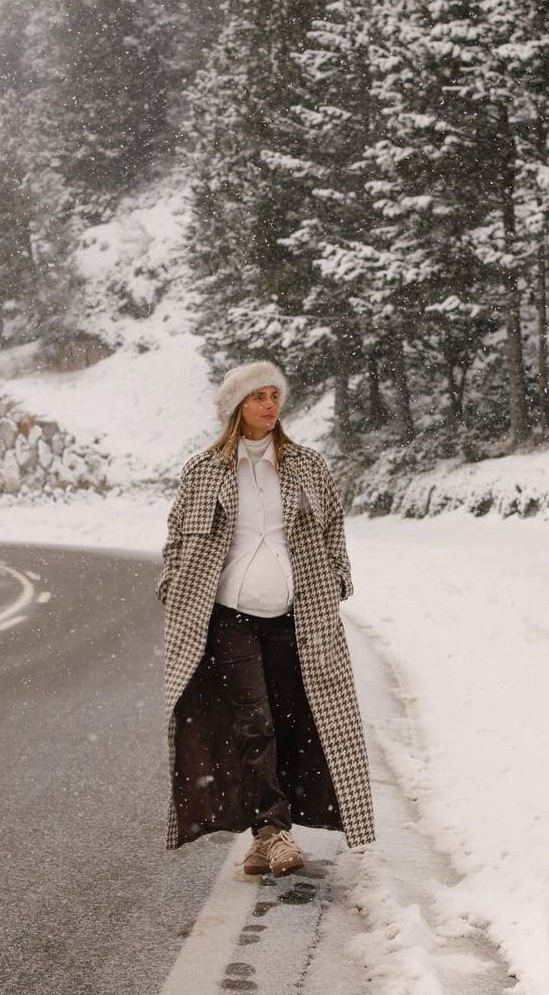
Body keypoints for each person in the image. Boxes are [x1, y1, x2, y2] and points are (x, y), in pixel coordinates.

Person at [156, 360, 375, 877]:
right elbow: (176, 538)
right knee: (253, 722)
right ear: (237, 408)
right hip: (230, 616)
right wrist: (172, 585)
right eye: (259, 397)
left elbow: (333, 530)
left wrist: (339, 576)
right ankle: (275, 833)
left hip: (296, 617)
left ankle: (266, 834)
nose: (270, 405)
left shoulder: (307, 465)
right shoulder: (204, 470)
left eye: (275, 396)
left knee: (294, 719)